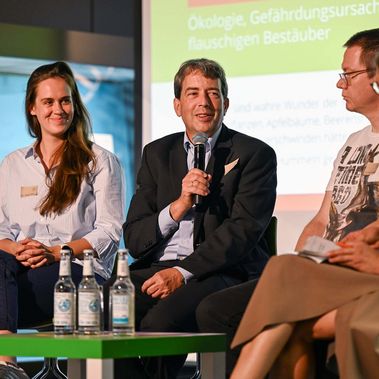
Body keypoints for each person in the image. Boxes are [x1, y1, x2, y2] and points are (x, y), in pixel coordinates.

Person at [110, 58, 277, 378]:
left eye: (212, 93)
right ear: (177, 105)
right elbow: (134, 237)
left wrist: (182, 272)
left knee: (159, 323)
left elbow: (242, 232)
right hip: (154, 270)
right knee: (98, 307)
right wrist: (179, 206)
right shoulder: (157, 153)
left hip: (216, 272)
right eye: (192, 93)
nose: (203, 102)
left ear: (225, 103)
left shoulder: (254, 153)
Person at [229, 28, 379, 379]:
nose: (340, 84)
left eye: (349, 74)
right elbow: (320, 219)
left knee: (283, 291)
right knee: (285, 271)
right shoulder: (352, 142)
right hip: (334, 264)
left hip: (360, 268)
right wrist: (308, 259)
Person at [0, 61, 125, 379]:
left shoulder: (99, 161)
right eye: (48, 102)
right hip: (19, 274)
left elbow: (109, 232)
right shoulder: (12, 164)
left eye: (65, 100)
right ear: (32, 108)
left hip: (77, 277)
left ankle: (6, 364)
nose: (58, 109)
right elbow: (1, 231)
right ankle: (6, 361)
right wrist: (20, 251)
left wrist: (55, 253)